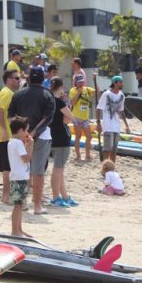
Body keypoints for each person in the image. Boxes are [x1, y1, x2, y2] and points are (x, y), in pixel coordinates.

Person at [8, 66, 55, 215]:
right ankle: (37, 206)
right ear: (43, 78)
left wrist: (22, 133)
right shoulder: (47, 95)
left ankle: (22, 203)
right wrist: (33, 133)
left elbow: (11, 116)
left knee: (22, 170)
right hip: (41, 136)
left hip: (21, 135)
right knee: (38, 172)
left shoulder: (18, 94)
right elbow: (48, 118)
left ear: (28, 78)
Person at [48, 77, 78, 208]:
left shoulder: (47, 100)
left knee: (59, 169)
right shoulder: (59, 102)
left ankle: (64, 195)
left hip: (51, 136)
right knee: (58, 168)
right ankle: (55, 197)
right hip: (61, 137)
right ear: (60, 87)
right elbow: (70, 117)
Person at [0, 70, 21, 203]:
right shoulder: (7, 93)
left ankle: (7, 195)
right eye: (16, 78)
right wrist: (4, 129)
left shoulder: (9, 93)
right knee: (7, 168)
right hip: (4, 136)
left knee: (8, 167)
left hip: (6, 136)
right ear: (9, 80)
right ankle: (5, 196)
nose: (19, 81)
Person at [7, 116, 34, 237]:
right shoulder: (17, 143)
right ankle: (15, 231)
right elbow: (26, 158)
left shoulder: (13, 142)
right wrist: (30, 146)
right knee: (18, 205)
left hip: (20, 176)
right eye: (26, 130)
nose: (27, 133)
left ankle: (19, 229)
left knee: (20, 204)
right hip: (19, 177)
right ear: (20, 131)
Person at [96, 75, 130, 162]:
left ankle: (112, 169)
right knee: (107, 149)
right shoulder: (106, 94)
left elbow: (121, 112)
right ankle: (105, 169)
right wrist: (98, 123)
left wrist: (126, 125)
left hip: (116, 126)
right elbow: (98, 108)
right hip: (107, 125)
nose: (122, 84)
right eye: (120, 82)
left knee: (114, 150)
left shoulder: (122, 95)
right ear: (115, 83)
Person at [69, 74, 95, 161]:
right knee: (78, 136)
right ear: (75, 83)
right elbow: (72, 103)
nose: (81, 84)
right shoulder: (73, 90)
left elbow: (97, 92)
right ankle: (78, 155)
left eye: (82, 82)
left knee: (89, 136)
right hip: (77, 117)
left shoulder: (87, 89)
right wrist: (78, 93)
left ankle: (87, 155)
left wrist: (94, 80)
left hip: (85, 118)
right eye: (79, 82)